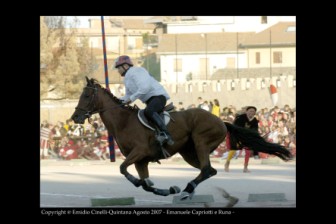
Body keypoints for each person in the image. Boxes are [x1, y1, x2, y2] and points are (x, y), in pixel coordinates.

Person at [114, 55, 174, 146]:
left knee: (149, 111)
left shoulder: (137, 71)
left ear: (125, 66)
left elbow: (145, 88)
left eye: (118, 68)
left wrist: (131, 99)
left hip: (158, 97)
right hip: (150, 101)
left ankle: (166, 134)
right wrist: (114, 100)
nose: (118, 71)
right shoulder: (127, 79)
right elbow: (128, 95)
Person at [224, 106, 259, 173]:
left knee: (248, 152)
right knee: (233, 150)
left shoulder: (254, 121)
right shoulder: (241, 118)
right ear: (246, 112)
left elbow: (255, 130)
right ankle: (227, 163)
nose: (251, 113)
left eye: (253, 111)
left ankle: (245, 167)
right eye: (250, 111)